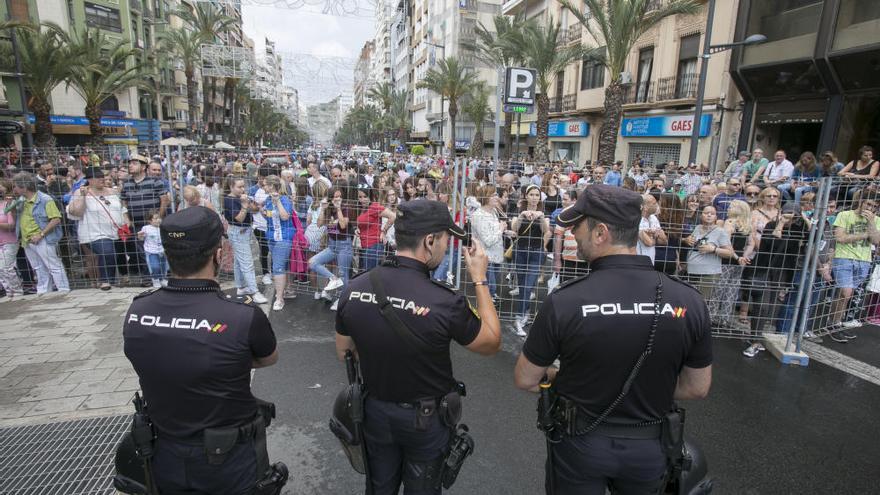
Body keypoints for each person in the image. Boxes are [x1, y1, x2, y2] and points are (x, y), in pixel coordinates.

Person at [514, 184, 713, 495]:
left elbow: (526, 379)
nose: (573, 234)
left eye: (578, 226)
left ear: (600, 232)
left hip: (579, 444)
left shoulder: (565, 301)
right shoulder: (688, 300)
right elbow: (697, 387)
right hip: (651, 447)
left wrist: (562, 376)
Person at [335, 200, 501, 495]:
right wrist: (480, 278)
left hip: (374, 411)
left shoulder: (355, 287)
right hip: (424, 421)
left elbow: (344, 351)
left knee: (378, 488)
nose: (446, 246)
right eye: (445, 240)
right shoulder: (445, 301)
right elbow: (490, 342)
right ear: (429, 241)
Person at [123, 206, 284, 495]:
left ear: (168, 254)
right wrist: (222, 357)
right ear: (219, 254)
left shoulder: (138, 311)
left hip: (164, 452)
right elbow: (268, 357)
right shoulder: (242, 316)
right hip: (230, 460)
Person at [829, 190, 880, 340]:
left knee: (845, 295)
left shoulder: (876, 220)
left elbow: (876, 241)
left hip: (864, 260)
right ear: (861, 201)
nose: (870, 208)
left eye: (874, 206)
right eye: (868, 204)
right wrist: (864, 235)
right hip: (844, 257)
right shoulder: (845, 215)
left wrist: (871, 222)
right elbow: (840, 238)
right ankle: (835, 324)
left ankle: (834, 322)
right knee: (846, 292)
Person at [66, 169, 128, 291]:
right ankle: (104, 281)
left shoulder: (112, 192)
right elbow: (75, 212)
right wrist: (83, 197)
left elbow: (121, 208)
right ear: (89, 180)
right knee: (107, 251)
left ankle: (111, 282)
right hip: (93, 233)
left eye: (102, 177)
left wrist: (125, 221)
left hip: (115, 232)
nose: (102, 179)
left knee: (113, 255)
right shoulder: (81, 192)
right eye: (97, 177)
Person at [11, 172, 70, 294]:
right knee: (38, 268)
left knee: (53, 265)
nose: (14, 189)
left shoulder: (45, 199)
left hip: (43, 239)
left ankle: (63, 290)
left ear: (24, 187)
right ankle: (43, 291)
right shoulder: (21, 201)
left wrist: (41, 234)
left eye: (15, 186)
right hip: (27, 240)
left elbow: (56, 218)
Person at [511, 184, 551, 337]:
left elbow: (545, 231)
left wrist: (540, 217)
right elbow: (514, 229)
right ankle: (525, 312)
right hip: (520, 251)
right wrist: (522, 215)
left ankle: (519, 317)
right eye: (532, 194)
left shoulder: (543, 212)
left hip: (536, 252)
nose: (534, 198)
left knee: (528, 286)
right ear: (526, 196)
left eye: (537, 195)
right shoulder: (519, 210)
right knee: (522, 287)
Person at [223, 177, 268, 304]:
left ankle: (241, 287)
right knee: (247, 262)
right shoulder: (229, 199)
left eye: (243, 186)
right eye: (239, 187)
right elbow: (239, 219)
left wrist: (251, 204)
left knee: (239, 261)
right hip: (238, 231)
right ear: (231, 187)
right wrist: (244, 206)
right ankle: (255, 292)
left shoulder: (242, 197)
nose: (242, 189)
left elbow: (255, 210)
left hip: (245, 231)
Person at [309, 185, 354, 311]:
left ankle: (342, 300)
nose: (338, 199)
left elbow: (343, 225)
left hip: (344, 245)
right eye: (335, 197)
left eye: (340, 197)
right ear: (330, 198)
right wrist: (323, 209)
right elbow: (319, 224)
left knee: (343, 274)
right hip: (332, 245)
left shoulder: (345, 208)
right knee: (312, 263)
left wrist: (338, 208)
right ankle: (333, 279)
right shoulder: (328, 208)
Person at [684, 205, 733, 301]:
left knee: (701, 301)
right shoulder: (697, 228)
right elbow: (693, 243)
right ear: (701, 215)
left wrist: (713, 249)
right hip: (692, 271)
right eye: (706, 213)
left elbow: (730, 253)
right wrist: (686, 240)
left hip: (708, 273)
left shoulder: (720, 231)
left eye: (712, 213)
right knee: (690, 300)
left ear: (716, 217)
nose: (709, 215)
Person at [261, 175, 295, 311]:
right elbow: (270, 217)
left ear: (271, 186)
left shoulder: (284, 199)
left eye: (265, 185)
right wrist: (264, 213)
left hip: (284, 238)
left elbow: (285, 216)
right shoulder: (267, 200)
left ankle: (279, 298)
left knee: (278, 267)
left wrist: (278, 202)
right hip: (272, 237)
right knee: (282, 265)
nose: (263, 187)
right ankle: (287, 290)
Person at [470, 184, 505, 300]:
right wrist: (501, 229)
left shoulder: (494, 211)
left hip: (496, 256)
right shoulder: (479, 215)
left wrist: (507, 232)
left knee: (491, 289)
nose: (497, 197)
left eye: (496, 194)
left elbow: (493, 231)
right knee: (490, 289)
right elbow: (488, 241)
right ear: (485, 197)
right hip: (485, 257)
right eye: (493, 195)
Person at [354, 187, 396, 271]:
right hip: (365, 246)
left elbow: (392, 216)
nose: (362, 200)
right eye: (360, 197)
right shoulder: (362, 208)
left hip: (373, 246)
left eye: (365, 196)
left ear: (370, 197)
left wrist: (383, 232)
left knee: (370, 276)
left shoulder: (374, 207)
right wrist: (357, 229)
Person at [0, 178, 24, 298]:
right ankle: (9, 292)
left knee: (6, 267)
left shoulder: (10, 204)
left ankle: (18, 291)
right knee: (0, 269)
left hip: (9, 241)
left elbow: (11, 225)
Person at [138, 210, 169, 288]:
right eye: (155, 218)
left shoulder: (163, 227)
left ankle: (162, 279)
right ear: (150, 220)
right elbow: (141, 238)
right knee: (155, 266)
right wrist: (140, 236)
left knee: (163, 266)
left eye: (159, 218)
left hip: (162, 251)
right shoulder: (146, 228)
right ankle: (155, 279)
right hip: (151, 252)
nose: (158, 220)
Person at [636, 193, 666, 264]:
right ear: (645, 207)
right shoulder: (637, 220)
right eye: (654, 203)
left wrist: (652, 235)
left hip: (651, 261)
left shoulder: (653, 218)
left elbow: (664, 241)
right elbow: (648, 242)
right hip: (639, 261)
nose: (657, 205)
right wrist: (656, 235)